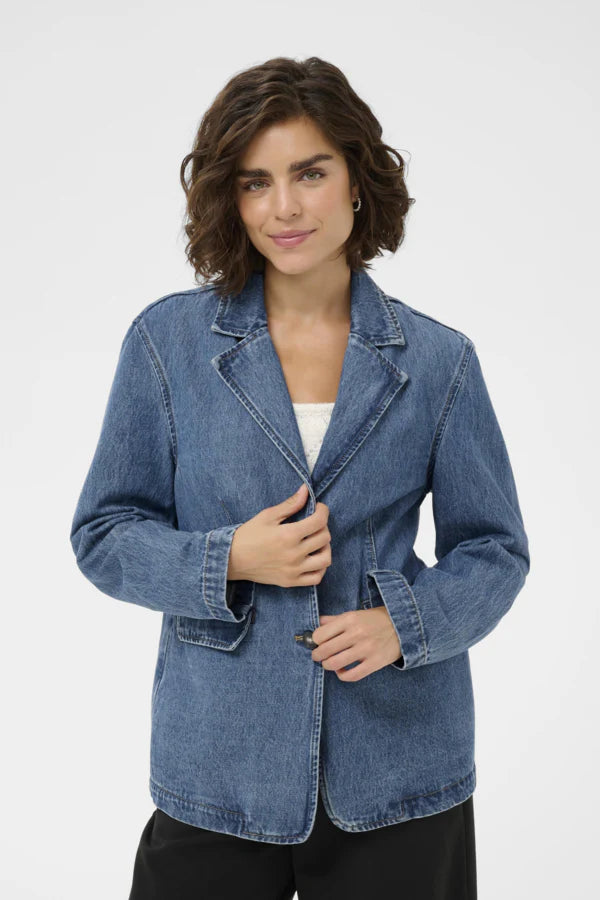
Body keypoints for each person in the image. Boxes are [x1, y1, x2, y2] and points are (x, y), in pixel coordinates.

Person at [70, 56, 530, 899]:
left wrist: (404, 625)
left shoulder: (439, 361)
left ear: (357, 179)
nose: (283, 207)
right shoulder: (168, 345)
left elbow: (495, 551)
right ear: (230, 198)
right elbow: (104, 534)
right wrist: (228, 559)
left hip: (397, 766)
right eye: (256, 182)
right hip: (219, 760)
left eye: (310, 173)